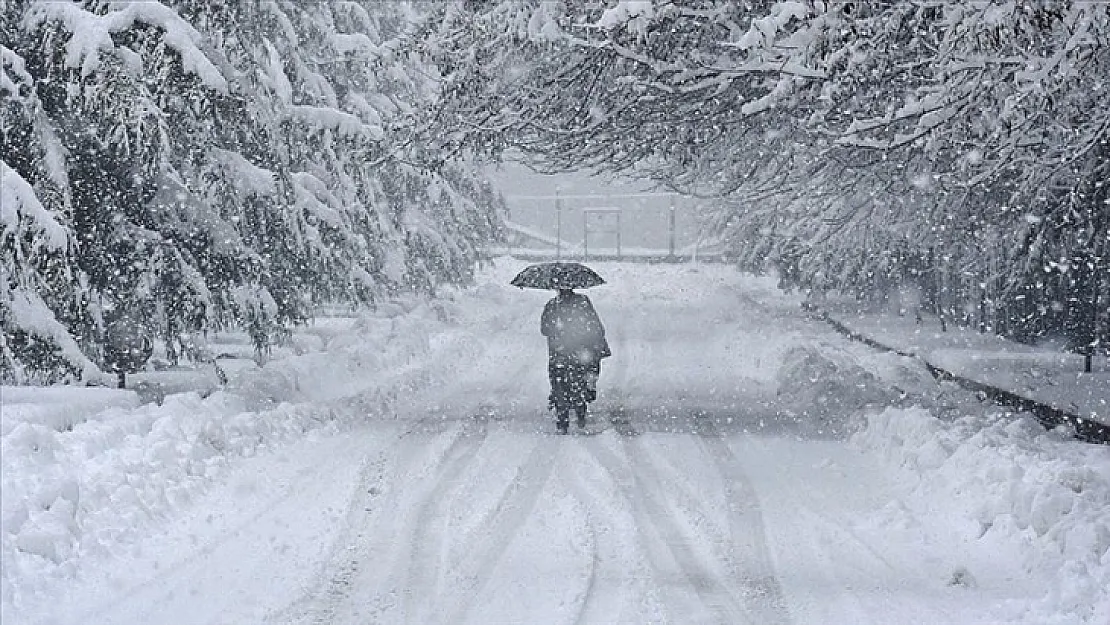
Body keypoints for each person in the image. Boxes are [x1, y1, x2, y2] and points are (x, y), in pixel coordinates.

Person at [541, 288, 610, 434]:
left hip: (559, 353)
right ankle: (580, 412)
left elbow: (544, 329)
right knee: (580, 382)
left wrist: (558, 330)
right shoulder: (583, 302)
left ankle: (562, 419)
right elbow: (595, 325)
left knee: (559, 384)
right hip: (580, 352)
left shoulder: (552, 305)